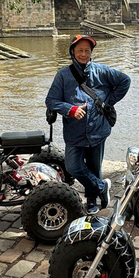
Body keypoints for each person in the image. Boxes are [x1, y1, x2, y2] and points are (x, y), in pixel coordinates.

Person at [46, 35, 131, 214]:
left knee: (94, 167)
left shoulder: (102, 71)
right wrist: (70, 109)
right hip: (74, 131)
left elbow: (125, 81)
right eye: (80, 50)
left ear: (91, 52)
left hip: (97, 130)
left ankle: (92, 202)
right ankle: (102, 187)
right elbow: (51, 100)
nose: (83, 54)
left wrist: (108, 103)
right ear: (72, 52)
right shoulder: (63, 75)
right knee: (73, 166)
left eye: (87, 50)